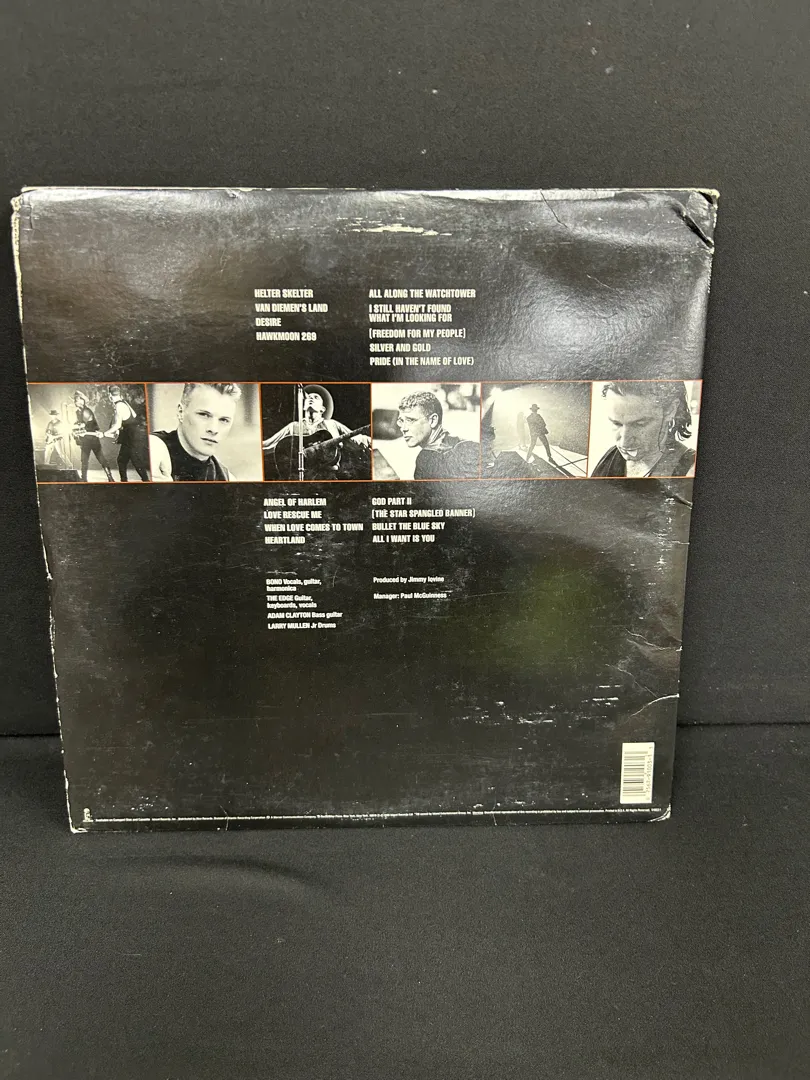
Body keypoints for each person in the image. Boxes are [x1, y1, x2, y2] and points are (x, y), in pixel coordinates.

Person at [590, 381, 696, 477]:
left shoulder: (690, 471)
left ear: (670, 410)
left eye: (639, 424)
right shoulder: (610, 457)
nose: (624, 443)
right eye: (616, 424)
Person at [262, 385, 370, 479]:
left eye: (316, 397)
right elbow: (269, 445)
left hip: (327, 477)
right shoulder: (293, 426)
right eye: (308, 397)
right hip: (302, 477)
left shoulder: (332, 424)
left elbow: (357, 439)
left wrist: (373, 441)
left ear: (322, 409)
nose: (311, 398)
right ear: (303, 406)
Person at [150, 382, 242, 481]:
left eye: (224, 420)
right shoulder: (155, 448)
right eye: (204, 415)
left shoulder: (226, 478)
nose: (213, 429)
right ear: (181, 412)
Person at [396, 390, 480, 479]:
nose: (403, 428)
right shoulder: (464, 444)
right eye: (401, 421)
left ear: (433, 420)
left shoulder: (426, 458)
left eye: (410, 420)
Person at [98, 386, 150, 482]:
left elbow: (117, 425)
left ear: (110, 395)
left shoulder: (119, 406)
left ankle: (146, 482)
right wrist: (120, 433)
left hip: (132, 437)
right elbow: (133, 416)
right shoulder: (124, 402)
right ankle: (124, 481)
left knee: (136, 462)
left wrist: (104, 434)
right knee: (121, 460)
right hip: (132, 436)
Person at [72, 391, 115, 482]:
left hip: (92, 438)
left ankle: (110, 477)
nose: (75, 402)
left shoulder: (86, 411)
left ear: (82, 401)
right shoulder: (78, 412)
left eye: (77, 400)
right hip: (85, 439)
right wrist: (76, 430)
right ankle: (84, 479)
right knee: (84, 460)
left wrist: (77, 428)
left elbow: (83, 425)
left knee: (100, 458)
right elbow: (79, 424)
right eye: (75, 400)